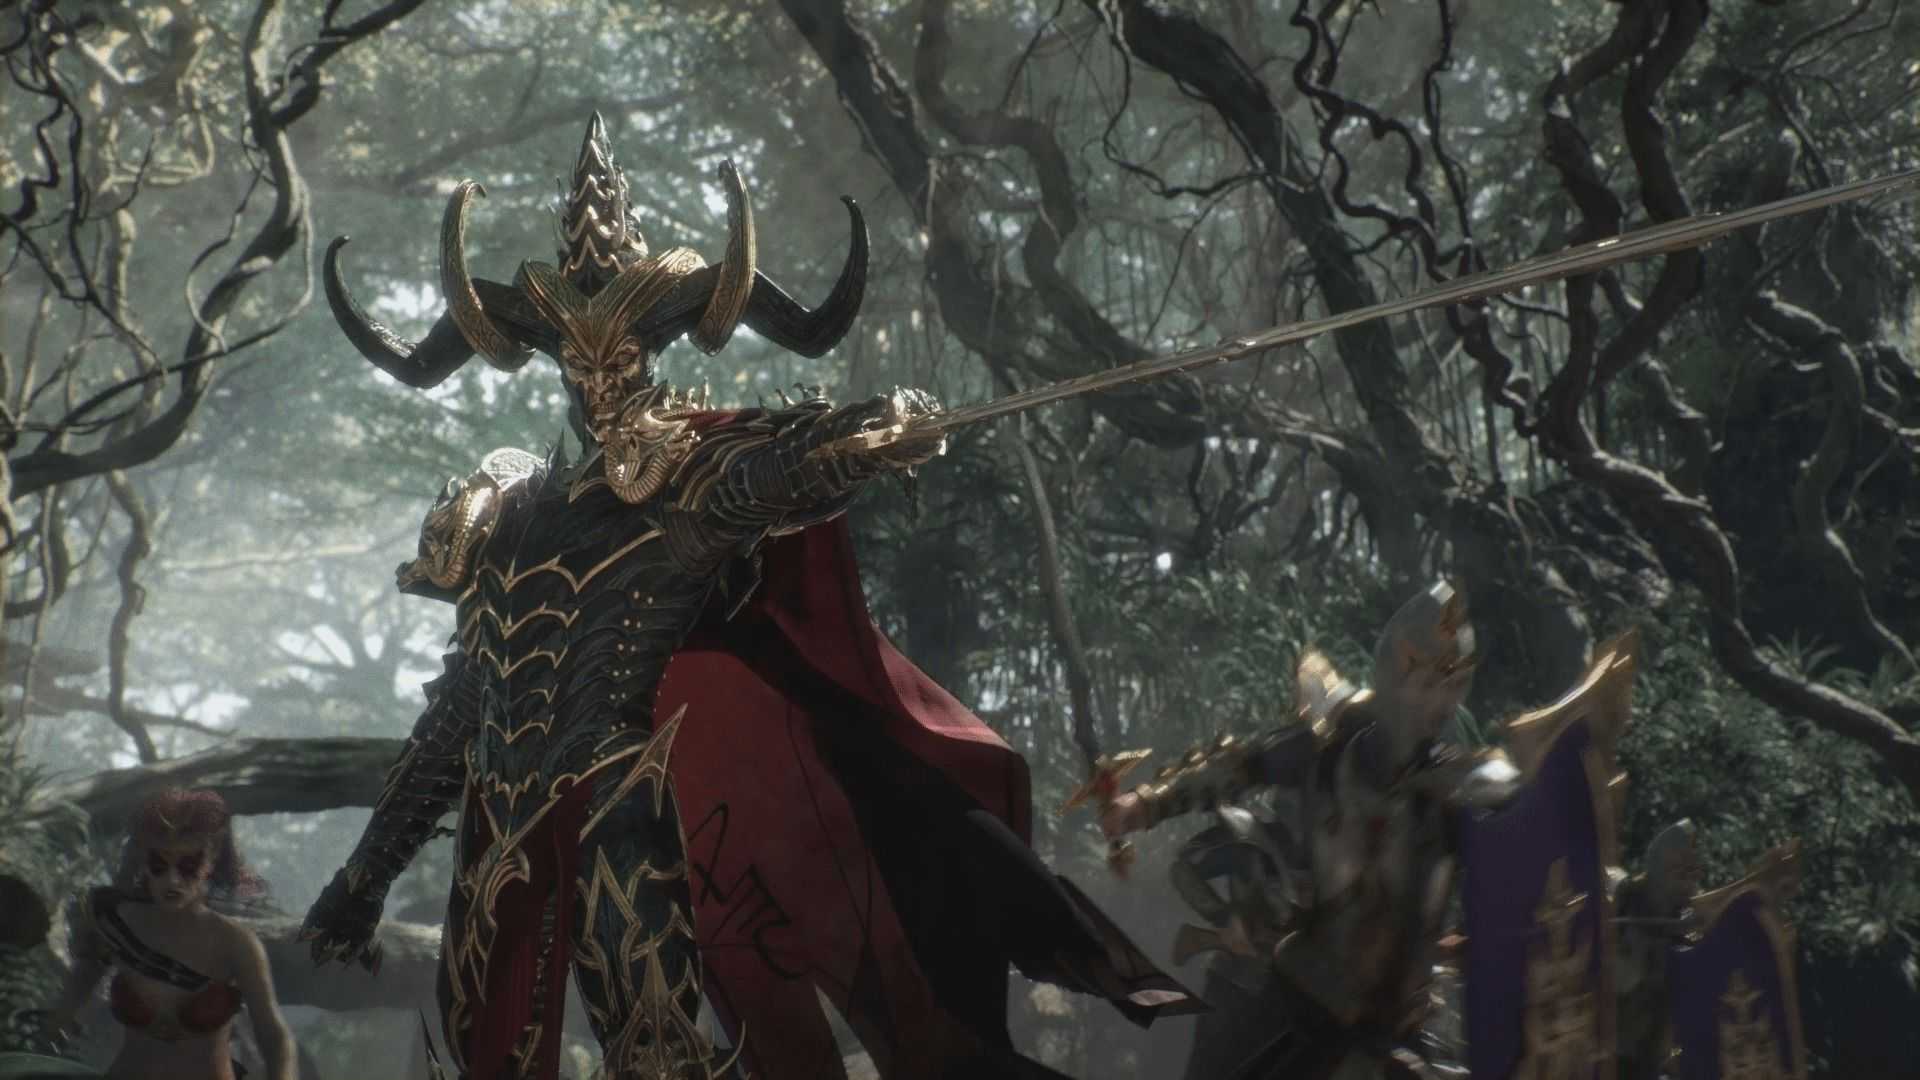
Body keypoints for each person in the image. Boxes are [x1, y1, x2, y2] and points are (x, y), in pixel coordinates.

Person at [300, 113, 1192, 1080]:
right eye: (579, 363)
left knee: (658, 1056)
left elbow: (772, 475)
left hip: (625, 825)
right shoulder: (507, 514)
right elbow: (462, 710)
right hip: (497, 839)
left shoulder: (683, 484)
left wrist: (866, 435)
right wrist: (364, 876)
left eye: (619, 359)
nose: (599, 384)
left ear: (650, 354)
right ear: (553, 361)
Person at [1102, 580, 1521, 1080]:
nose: (1441, 702)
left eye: (1453, 685)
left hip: (1392, 1029)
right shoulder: (1330, 748)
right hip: (1302, 1006)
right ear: (1395, 673)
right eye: (1428, 683)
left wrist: (1478, 940)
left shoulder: (1461, 788)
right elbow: (1240, 766)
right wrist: (1145, 804)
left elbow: (1516, 869)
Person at [37, 788, 296, 1080]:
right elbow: (82, 979)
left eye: (188, 866)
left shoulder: (236, 944)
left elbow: (274, 1036)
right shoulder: (115, 923)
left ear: (212, 859)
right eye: (159, 864)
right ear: (142, 857)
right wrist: (53, 1024)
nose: (172, 880)